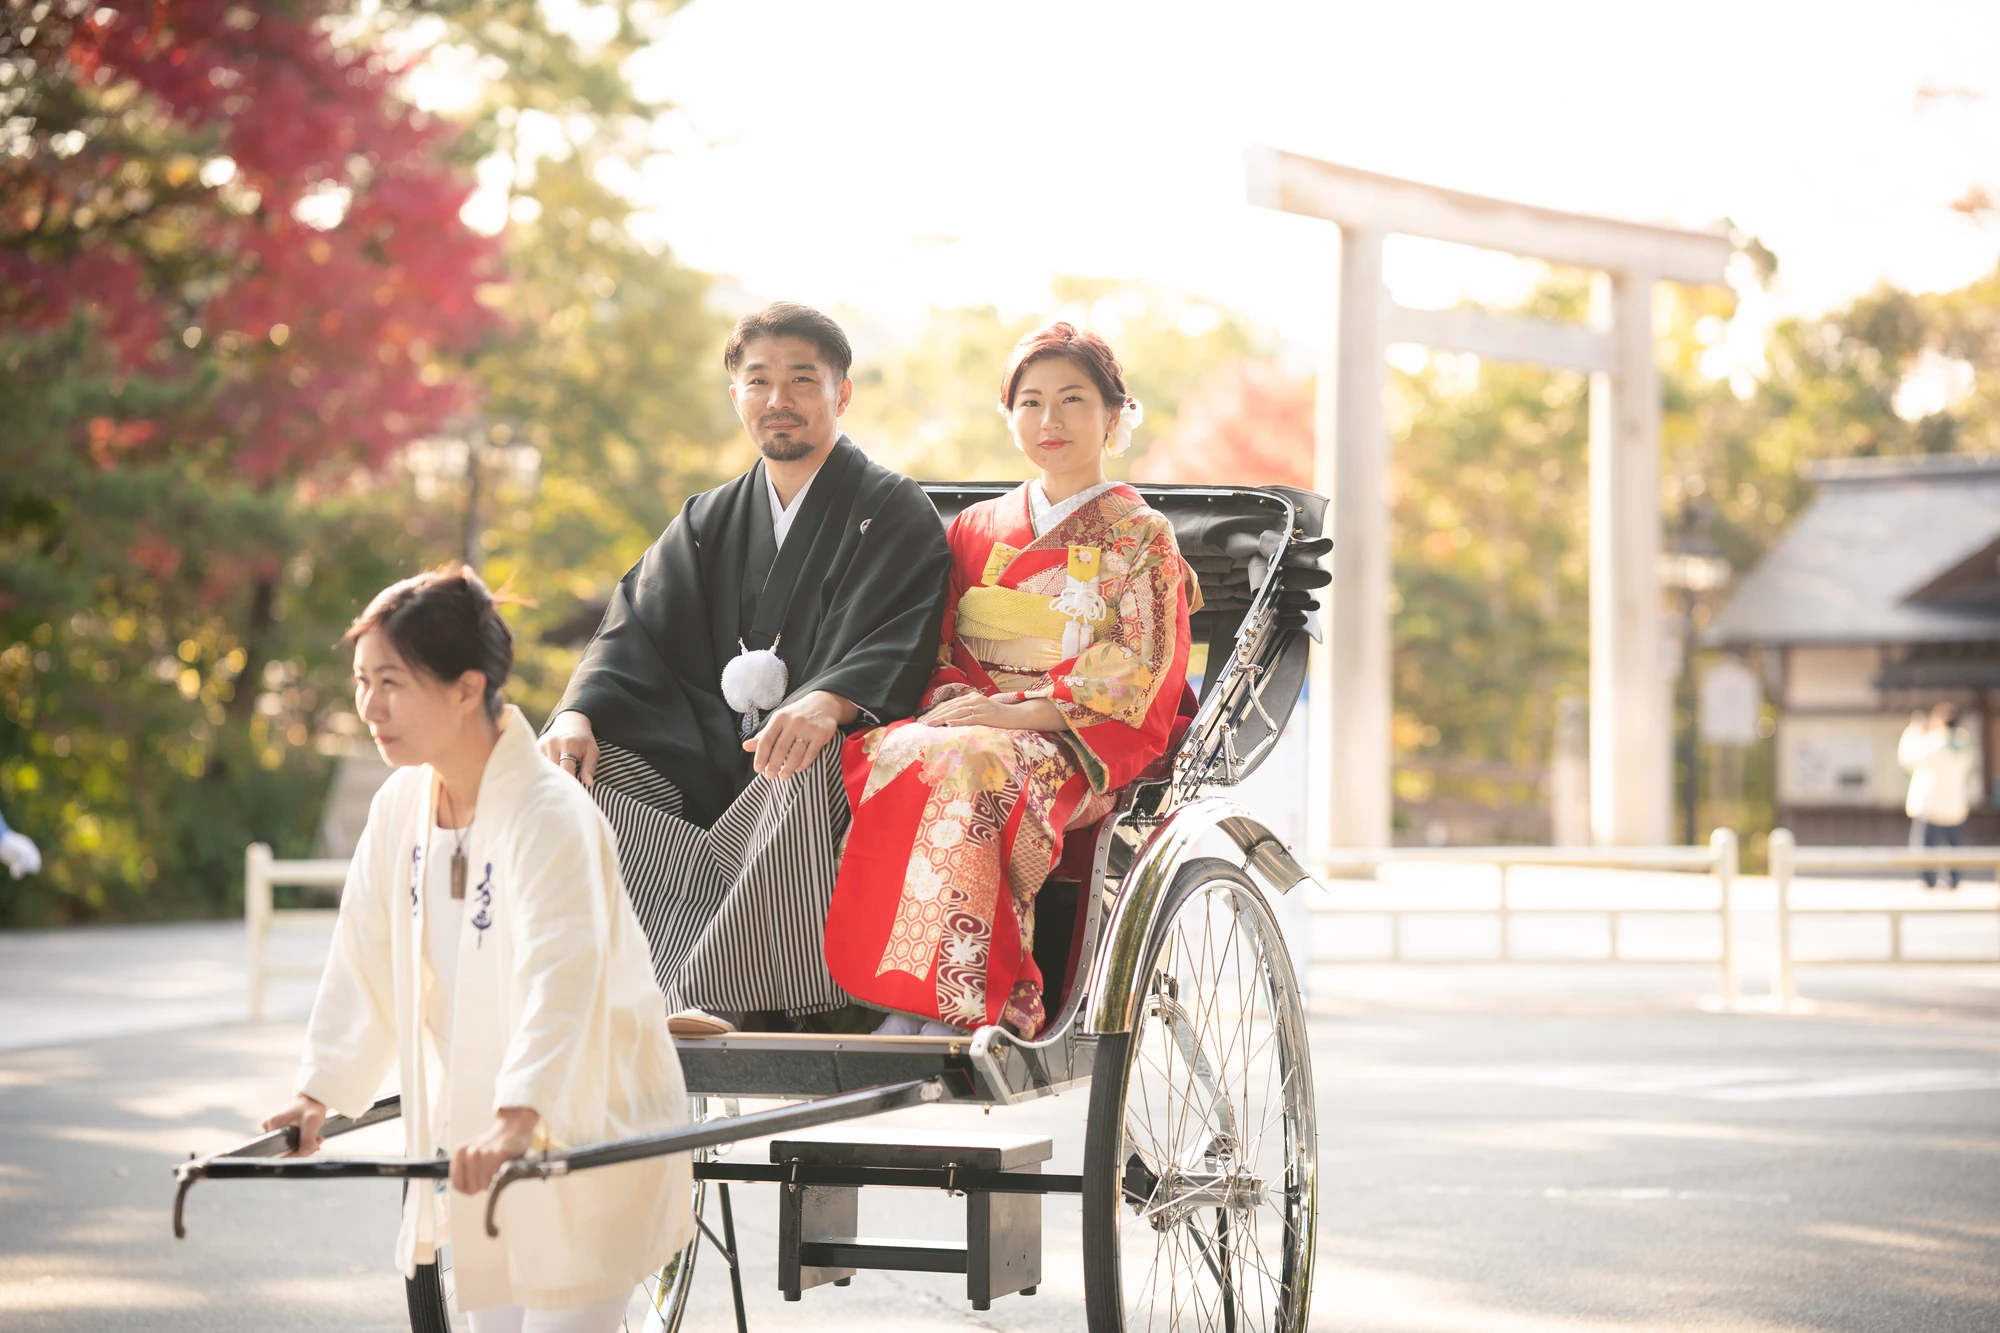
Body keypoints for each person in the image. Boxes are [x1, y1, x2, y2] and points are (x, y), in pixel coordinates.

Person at [263, 568, 691, 1332]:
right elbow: (363, 955)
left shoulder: (550, 812)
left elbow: (566, 974)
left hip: (584, 1124)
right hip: (483, 1141)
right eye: (363, 681)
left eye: (390, 682)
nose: (370, 707)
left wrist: (521, 1111)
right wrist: (317, 1091)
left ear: (467, 687)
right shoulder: (400, 804)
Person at [540, 303, 953, 1033]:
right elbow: (632, 628)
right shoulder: (707, 519)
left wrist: (830, 700)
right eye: (758, 381)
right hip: (713, 758)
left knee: (800, 754)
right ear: (737, 397)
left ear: (842, 393)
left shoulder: (891, 508)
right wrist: (576, 713)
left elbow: (897, 634)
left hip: (818, 755)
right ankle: (642, 991)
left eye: (802, 379)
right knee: (590, 777)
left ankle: (735, 994)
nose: (779, 400)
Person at [823, 322, 1198, 1038]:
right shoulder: (973, 527)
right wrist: (949, 696)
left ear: (1114, 415)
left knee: (974, 763)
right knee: (889, 752)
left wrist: (1015, 713)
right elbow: (934, 647)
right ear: (1008, 416)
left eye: (1072, 400)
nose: (1048, 420)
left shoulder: (1140, 534)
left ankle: (983, 998)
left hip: (1067, 740)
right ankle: (902, 992)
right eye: (1029, 402)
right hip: (973, 725)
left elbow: (1136, 666)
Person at [1899, 703, 1979, 889]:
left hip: (1931, 805)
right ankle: (1953, 880)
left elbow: (1907, 757)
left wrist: (1914, 731)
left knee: (1925, 847)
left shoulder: (1933, 743)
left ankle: (1928, 881)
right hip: (1955, 806)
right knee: (1953, 847)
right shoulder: (1963, 744)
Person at [0, 806, 40, 880]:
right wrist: (17, 869)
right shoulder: (28, 858)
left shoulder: (27, 852)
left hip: (5, 837)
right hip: (4, 839)